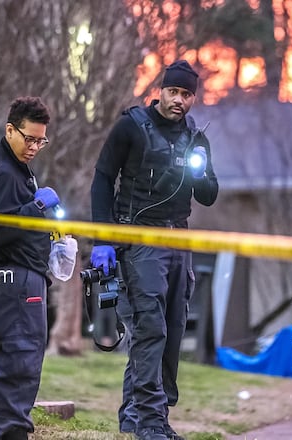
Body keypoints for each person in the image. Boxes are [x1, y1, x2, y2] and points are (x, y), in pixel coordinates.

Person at [89, 60, 218, 440]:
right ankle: (149, 423)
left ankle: (143, 417)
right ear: (160, 90)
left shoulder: (195, 138)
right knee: (150, 329)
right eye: (173, 91)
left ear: (193, 98)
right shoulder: (131, 126)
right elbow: (102, 178)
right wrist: (102, 240)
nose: (179, 100)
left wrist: (199, 173)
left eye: (186, 94)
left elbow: (209, 195)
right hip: (139, 241)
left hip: (179, 240)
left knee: (172, 329)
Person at [0, 96, 60, 440]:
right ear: (10, 130)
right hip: (10, 280)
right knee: (20, 366)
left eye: (40, 141)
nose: (34, 147)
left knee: (8, 366)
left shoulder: (14, 166)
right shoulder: (2, 171)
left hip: (9, 278)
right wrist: (37, 207)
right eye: (29, 138)